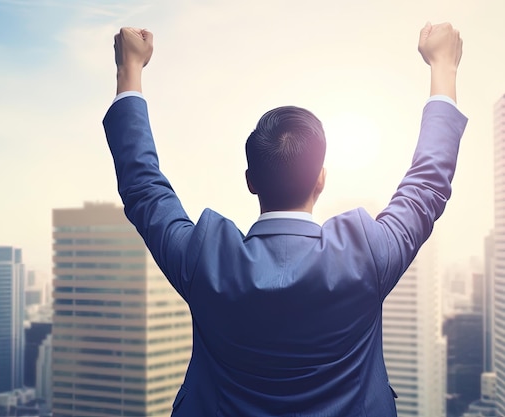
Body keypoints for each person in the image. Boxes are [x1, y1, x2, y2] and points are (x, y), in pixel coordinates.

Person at [103, 22, 466, 417]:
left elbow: (143, 189)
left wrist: (130, 71)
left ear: (250, 182)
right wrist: (442, 65)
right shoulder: (366, 256)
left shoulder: (205, 260)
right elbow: (427, 186)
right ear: (321, 179)